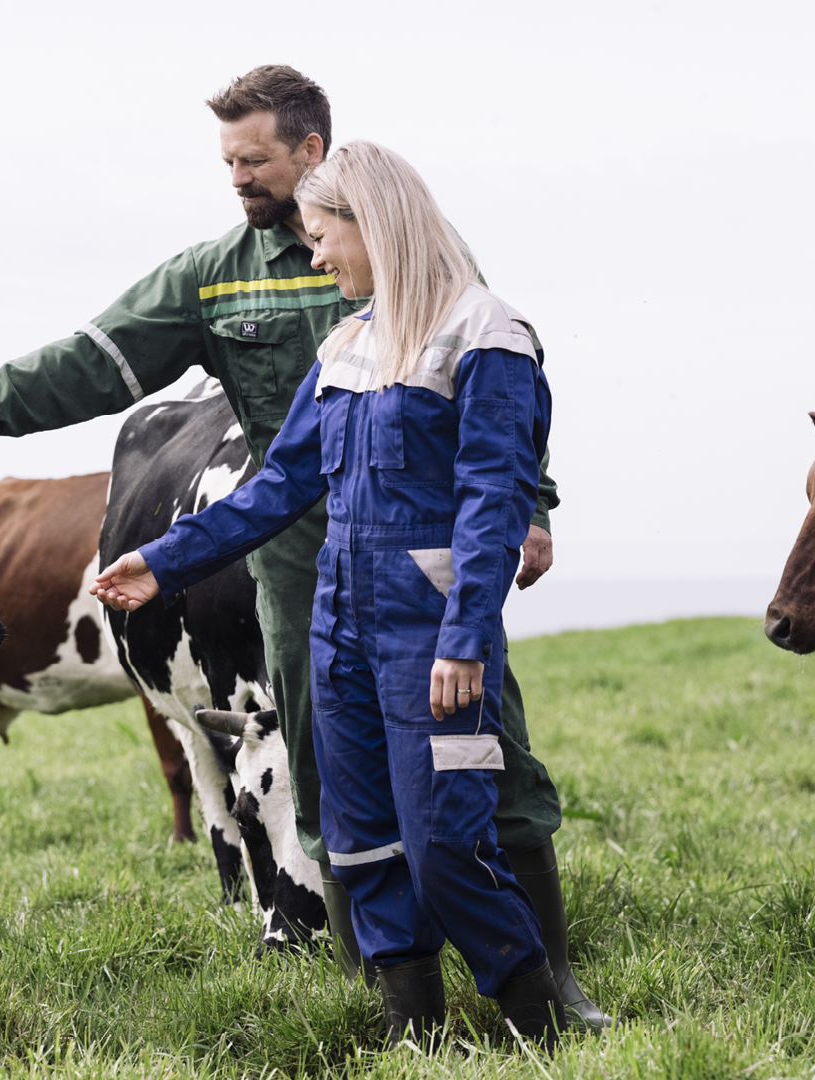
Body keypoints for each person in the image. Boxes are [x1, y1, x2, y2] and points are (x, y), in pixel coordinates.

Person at [0, 65, 609, 1030]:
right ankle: (400, 1004)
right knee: (338, 794)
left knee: (482, 779)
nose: (237, 176)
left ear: (317, 162)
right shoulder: (239, 288)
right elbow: (146, 397)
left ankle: (545, 989)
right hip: (303, 580)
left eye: (254, 158)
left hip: (434, 583)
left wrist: (530, 518)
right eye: (226, 159)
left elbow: (500, 447)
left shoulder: (460, 304)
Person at [91, 140, 571, 1044]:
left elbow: (493, 498)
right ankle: (412, 1031)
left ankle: (538, 1020)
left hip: (432, 637)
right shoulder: (348, 344)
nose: (315, 258)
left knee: (446, 846)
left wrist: (465, 636)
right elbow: (278, 487)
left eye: (323, 237)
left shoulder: (488, 336)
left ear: (373, 225)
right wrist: (165, 561)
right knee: (360, 839)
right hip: (338, 631)